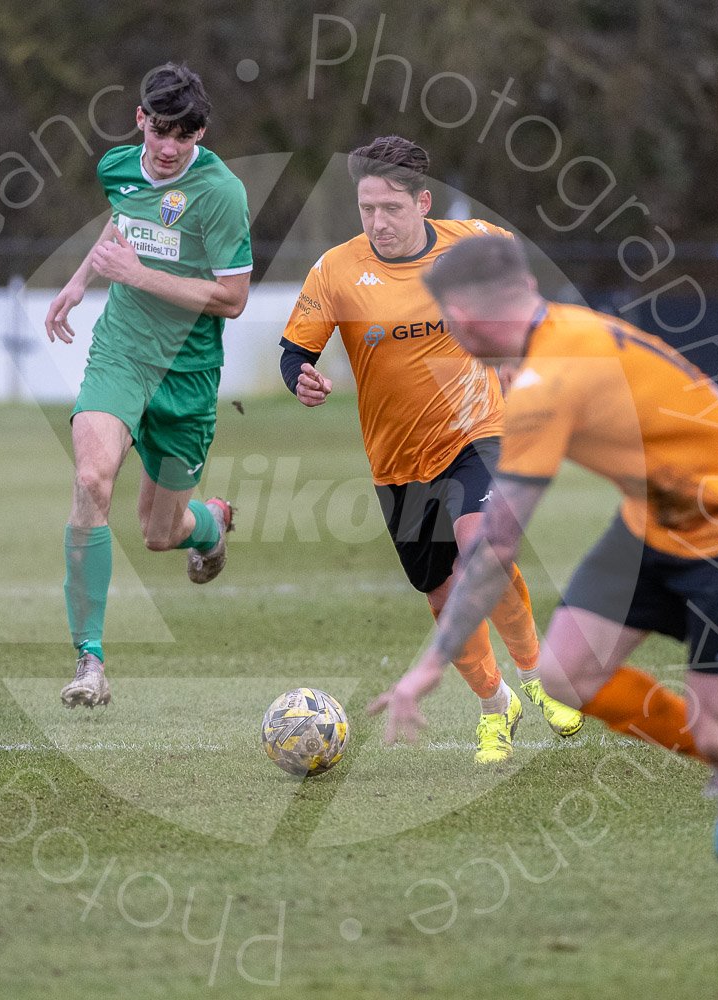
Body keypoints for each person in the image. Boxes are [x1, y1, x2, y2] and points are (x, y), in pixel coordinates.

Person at [370, 235, 718, 929]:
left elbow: (498, 542)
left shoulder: (547, 380)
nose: (447, 336)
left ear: (464, 313)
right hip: (651, 523)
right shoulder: (570, 331)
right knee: (568, 675)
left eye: (446, 322)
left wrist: (426, 669)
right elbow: (694, 396)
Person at [279, 136, 582, 764]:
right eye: (366, 209)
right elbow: (295, 351)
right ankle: (497, 706)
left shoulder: (472, 245)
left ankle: (538, 672)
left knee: (484, 547)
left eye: (390, 208)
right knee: (443, 594)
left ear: (422, 201)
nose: (377, 222)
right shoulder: (337, 269)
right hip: (396, 460)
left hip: (478, 432)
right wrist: (300, 377)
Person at [44, 63, 251, 708]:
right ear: (141, 120)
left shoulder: (222, 194)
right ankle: (89, 662)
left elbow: (232, 298)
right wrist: (82, 279)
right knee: (89, 481)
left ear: (200, 135)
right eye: (159, 131)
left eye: (182, 138)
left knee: (159, 533)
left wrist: (134, 273)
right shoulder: (118, 167)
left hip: (187, 375)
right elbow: (123, 223)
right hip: (122, 354)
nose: (167, 148)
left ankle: (209, 527)